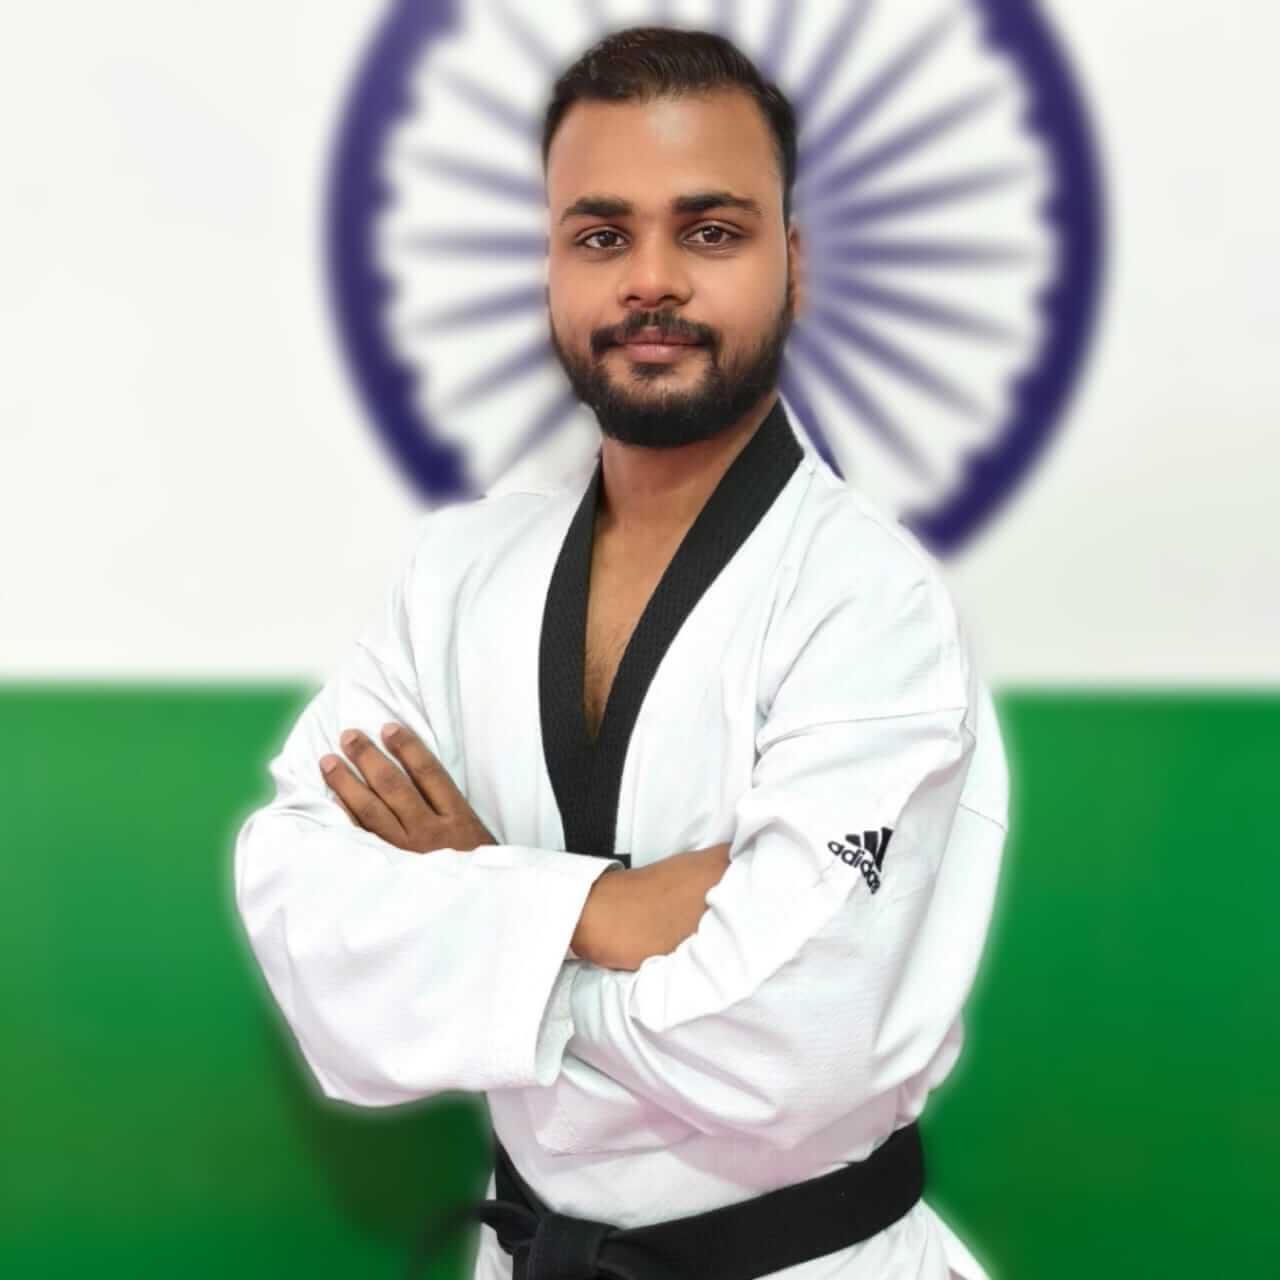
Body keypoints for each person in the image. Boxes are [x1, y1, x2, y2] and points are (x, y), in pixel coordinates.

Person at [232, 25, 1009, 1280]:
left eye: (709, 231)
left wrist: (476, 911)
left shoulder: (870, 603)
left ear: (793, 265)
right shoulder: (457, 574)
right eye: (601, 235)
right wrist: (598, 908)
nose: (651, 280)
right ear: (551, 266)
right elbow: (300, 911)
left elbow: (790, 1043)